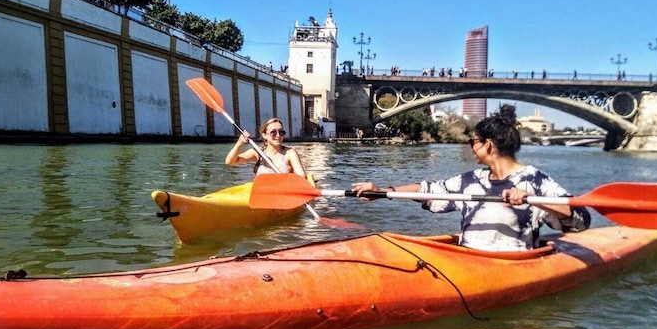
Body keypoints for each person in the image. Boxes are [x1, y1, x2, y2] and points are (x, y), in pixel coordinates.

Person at [352, 105, 590, 252]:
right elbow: (427, 190)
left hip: (513, 266)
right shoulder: (471, 180)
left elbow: (581, 220)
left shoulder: (535, 181)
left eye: (473, 142)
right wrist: (383, 191)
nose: (471, 148)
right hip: (468, 262)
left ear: (488, 144)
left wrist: (533, 200)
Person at [225, 118, 307, 177]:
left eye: (281, 132)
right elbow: (230, 162)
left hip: (283, 194)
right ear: (264, 135)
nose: (278, 135)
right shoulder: (258, 152)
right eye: (273, 132)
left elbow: (301, 176)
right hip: (262, 194)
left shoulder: (289, 153)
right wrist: (240, 143)